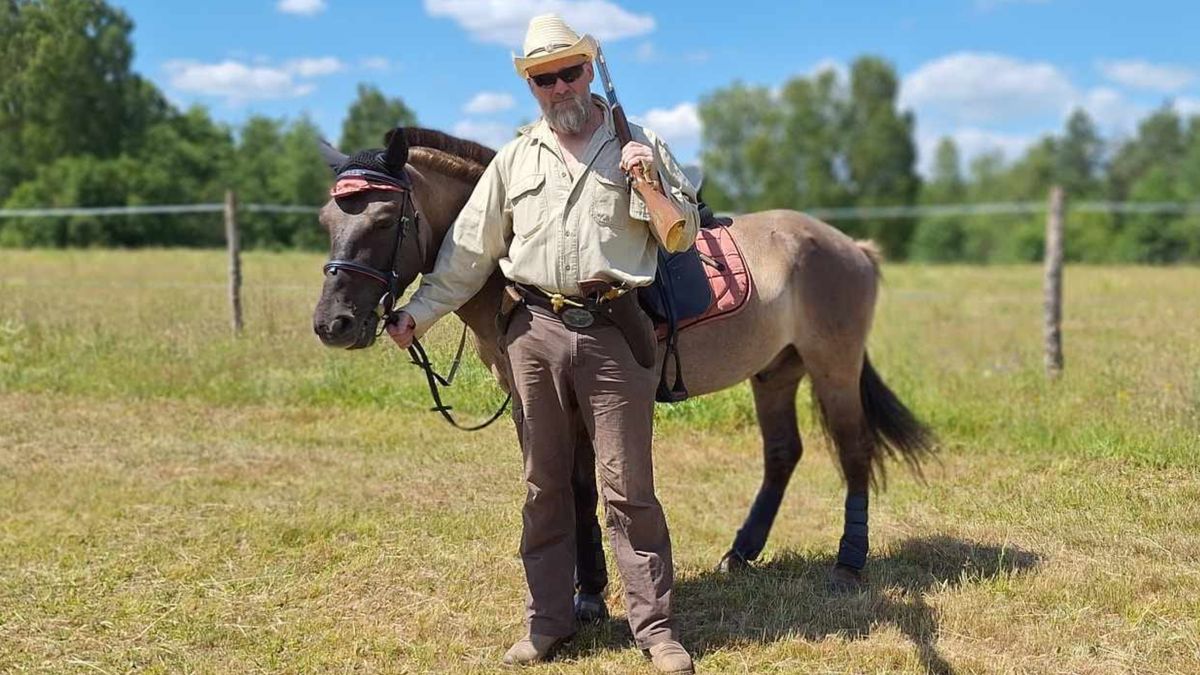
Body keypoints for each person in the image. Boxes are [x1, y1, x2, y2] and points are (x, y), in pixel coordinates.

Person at [385, 13, 700, 674]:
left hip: (614, 330)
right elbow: (467, 252)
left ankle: (656, 629)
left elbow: (683, 233)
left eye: (569, 72)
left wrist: (653, 179)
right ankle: (548, 622)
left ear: (590, 72)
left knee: (628, 489)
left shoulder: (639, 143)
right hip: (532, 332)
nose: (559, 88)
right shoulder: (516, 157)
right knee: (543, 485)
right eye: (543, 78)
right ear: (530, 84)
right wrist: (419, 312)